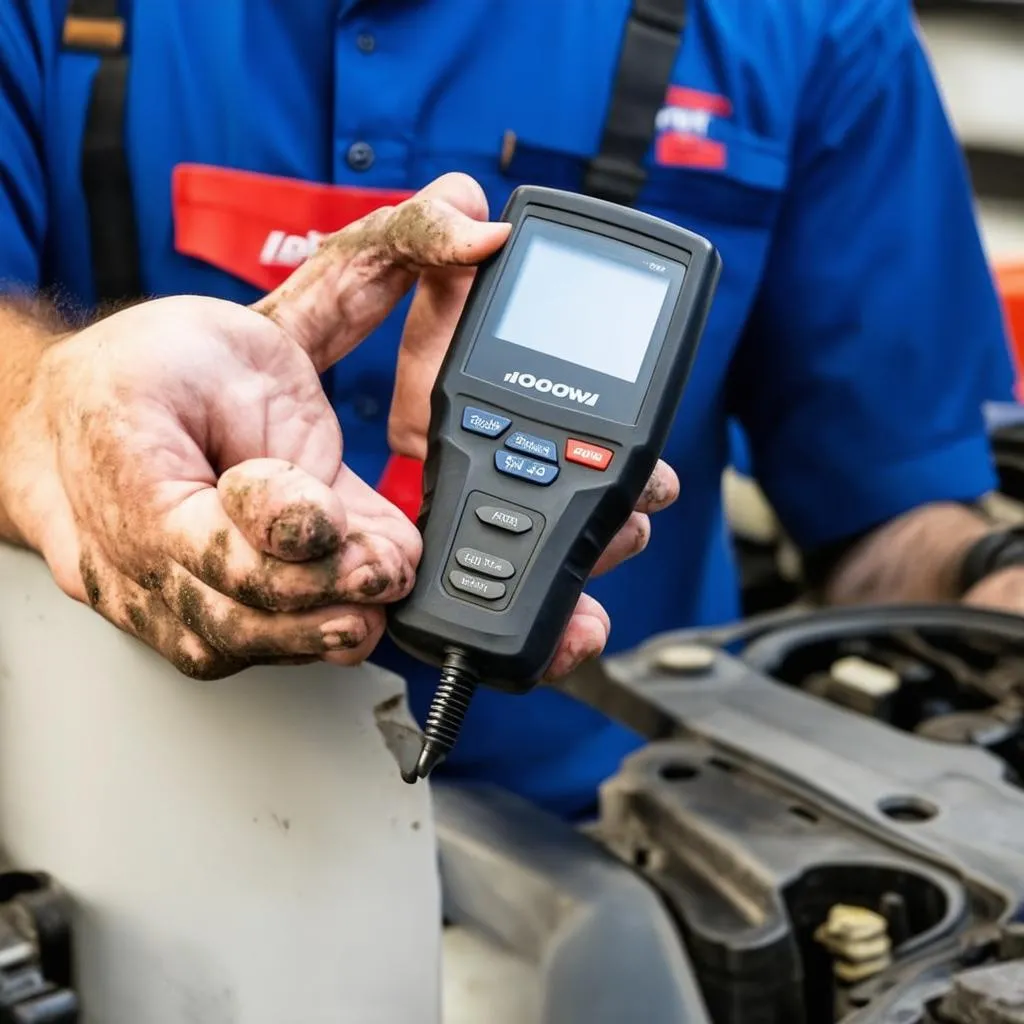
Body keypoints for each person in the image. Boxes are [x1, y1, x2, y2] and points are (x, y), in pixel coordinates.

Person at [0, 0, 1021, 818]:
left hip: (622, 844)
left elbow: (892, 506)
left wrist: (988, 594)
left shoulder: (809, 23)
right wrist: (47, 405)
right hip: (105, 813)